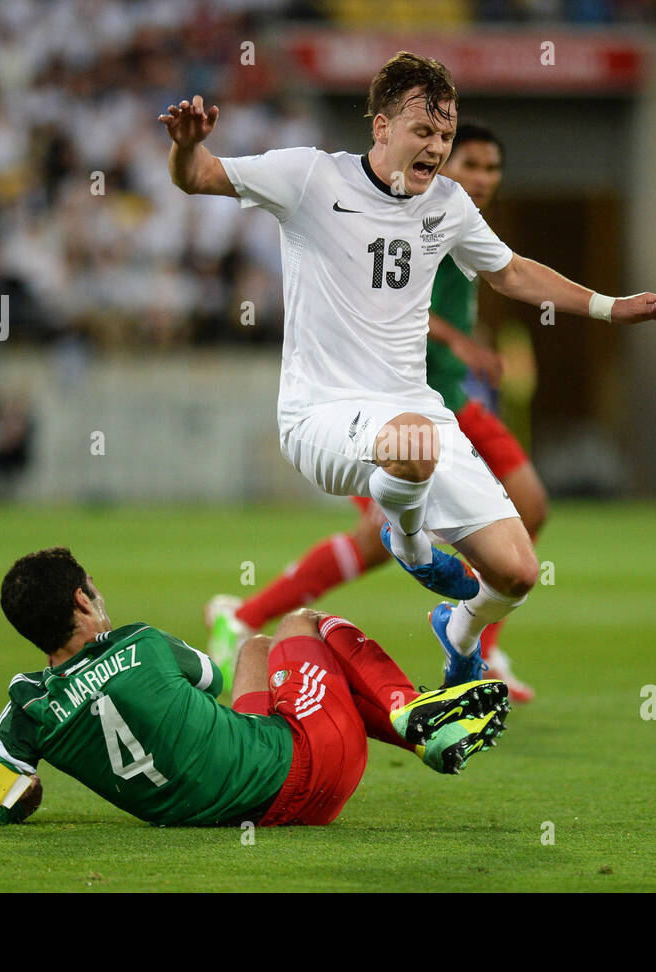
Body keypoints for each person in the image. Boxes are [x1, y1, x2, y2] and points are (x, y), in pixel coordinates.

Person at [160, 52, 656, 687]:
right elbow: (200, 177)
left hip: (416, 413)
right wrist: (186, 149)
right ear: (380, 127)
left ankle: (458, 631)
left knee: (517, 572)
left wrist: (610, 306)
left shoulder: (448, 204)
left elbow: (512, 271)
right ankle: (408, 543)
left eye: (446, 134)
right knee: (412, 441)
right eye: (423, 131)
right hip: (319, 415)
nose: (437, 146)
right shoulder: (310, 178)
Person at [204, 122, 541, 702]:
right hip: (373, 408)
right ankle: (244, 614)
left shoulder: (452, 215)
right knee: (375, 531)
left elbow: (505, 275)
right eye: (470, 165)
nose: (480, 179)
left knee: (528, 507)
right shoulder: (397, 208)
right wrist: (457, 341)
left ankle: (481, 640)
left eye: (492, 168)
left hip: (447, 402)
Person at [0, 548, 510, 828]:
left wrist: (26, 792)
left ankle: (424, 733)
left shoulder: (27, 710)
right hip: (314, 768)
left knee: (256, 648)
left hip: (253, 813)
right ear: (83, 602)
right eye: (95, 593)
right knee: (299, 625)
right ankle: (410, 709)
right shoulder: (142, 642)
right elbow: (210, 679)